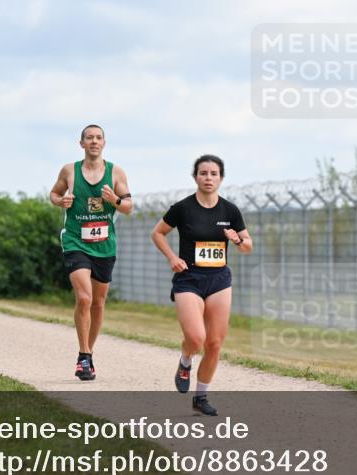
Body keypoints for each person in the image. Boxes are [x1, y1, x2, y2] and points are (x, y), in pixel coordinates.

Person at [151, 154, 252, 416]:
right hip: (189, 279)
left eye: (214, 173)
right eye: (203, 173)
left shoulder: (230, 211)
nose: (208, 178)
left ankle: (201, 396)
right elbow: (158, 232)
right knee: (196, 338)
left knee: (215, 343)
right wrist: (172, 257)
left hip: (219, 280)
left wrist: (237, 240)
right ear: (195, 176)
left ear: (221, 178)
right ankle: (185, 361)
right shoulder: (183, 208)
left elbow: (248, 246)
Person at [50, 124, 133, 381]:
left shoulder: (116, 172)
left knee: (98, 302)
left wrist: (115, 201)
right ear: (82, 143)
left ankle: (89, 352)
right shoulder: (69, 170)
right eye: (89, 138)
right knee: (84, 298)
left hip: (104, 245)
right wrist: (60, 201)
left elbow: (128, 206)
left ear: (104, 143)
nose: (94, 142)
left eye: (98, 138)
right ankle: (83, 356)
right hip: (76, 240)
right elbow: (54, 193)